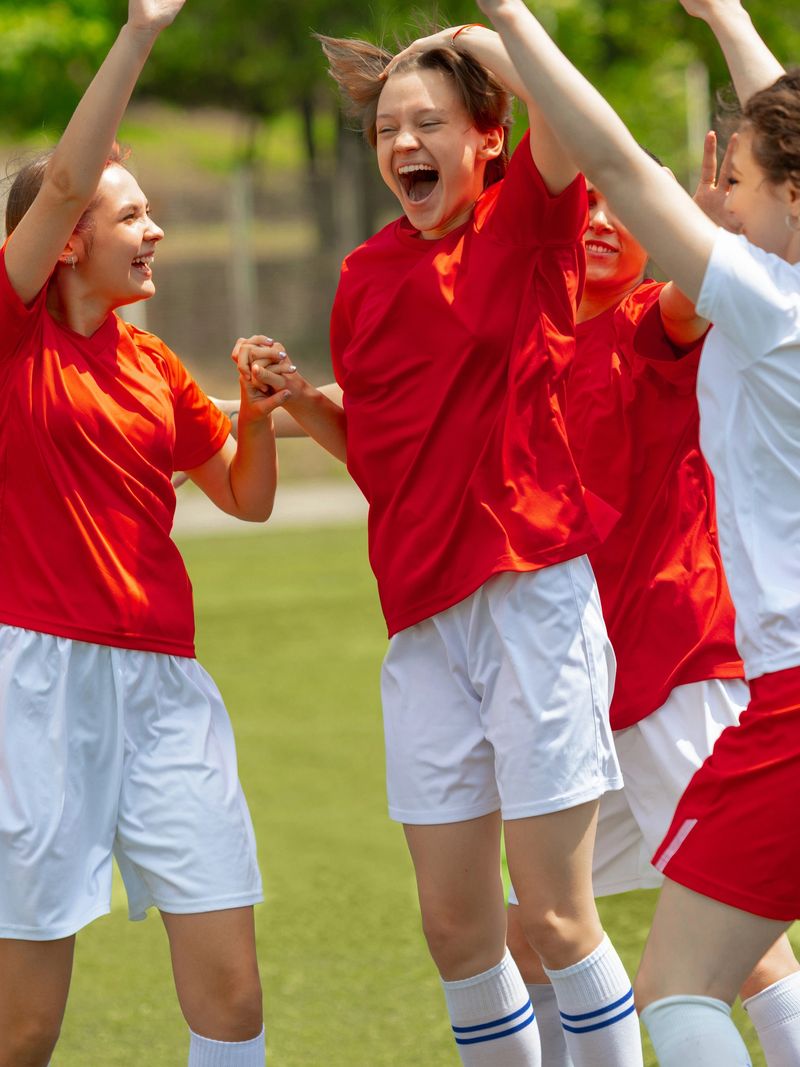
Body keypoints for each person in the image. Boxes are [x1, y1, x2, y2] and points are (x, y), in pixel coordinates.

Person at [236, 24, 644, 1067]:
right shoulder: (365, 272)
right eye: (386, 128)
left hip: (528, 600)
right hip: (419, 625)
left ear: (487, 139)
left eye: (428, 123)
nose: (402, 142)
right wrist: (299, 403)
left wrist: (483, 33)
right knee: (456, 931)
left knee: (554, 917)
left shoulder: (526, 225)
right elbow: (380, 448)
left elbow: (567, 116)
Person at [472, 0, 800, 1062]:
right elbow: (783, 127)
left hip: (779, 694)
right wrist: (727, 18)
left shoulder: (760, 299)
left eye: (737, 184)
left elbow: (613, 164)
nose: (719, 200)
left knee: (678, 984)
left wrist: (509, 21)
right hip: (724, 686)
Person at [0, 3, 290, 1064]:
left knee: (232, 993)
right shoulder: (13, 328)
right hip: (36, 687)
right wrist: (139, 33)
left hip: (166, 689)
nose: (154, 228)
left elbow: (244, 497)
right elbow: (65, 179)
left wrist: (255, 412)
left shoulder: (152, 363)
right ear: (68, 240)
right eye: (131, 215)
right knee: (24, 1025)